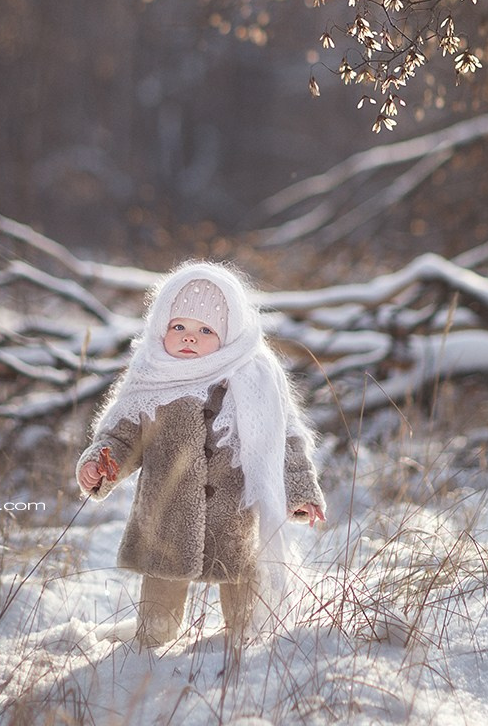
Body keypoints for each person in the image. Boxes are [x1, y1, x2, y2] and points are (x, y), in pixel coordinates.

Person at [76, 260, 325, 648]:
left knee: (243, 585)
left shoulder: (253, 376)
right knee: (160, 595)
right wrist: (100, 465)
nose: (189, 337)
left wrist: (299, 491)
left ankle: (246, 640)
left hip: (235, 511)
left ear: (229, 334)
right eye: (179, 327)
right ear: (161, 325)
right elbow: (122, 437)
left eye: (205, 330)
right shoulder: (151, 376)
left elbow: (286, 441)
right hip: (167, 512)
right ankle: (151, 639)